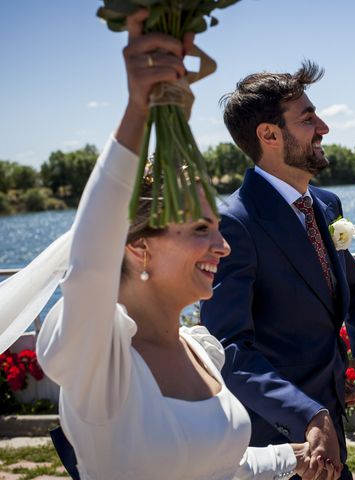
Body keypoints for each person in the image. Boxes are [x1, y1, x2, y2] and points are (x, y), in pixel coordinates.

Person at [29, 10, 339, 480]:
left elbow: (220, 463)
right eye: (199, 229)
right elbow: (91, 255)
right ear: (136, 246)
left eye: (216, 227)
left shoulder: (200, 350)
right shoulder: (99, 355)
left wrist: (291, 458)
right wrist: (139, 109)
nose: (223, 245)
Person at [200, 61, 355, 479]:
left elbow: (353, 285)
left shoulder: (326, 205)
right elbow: (230, 348)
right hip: (274, 437)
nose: (323, 127)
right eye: (307, 119)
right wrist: (306, 414)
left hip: (328, 423)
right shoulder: (232, 223)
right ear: (268, 135)